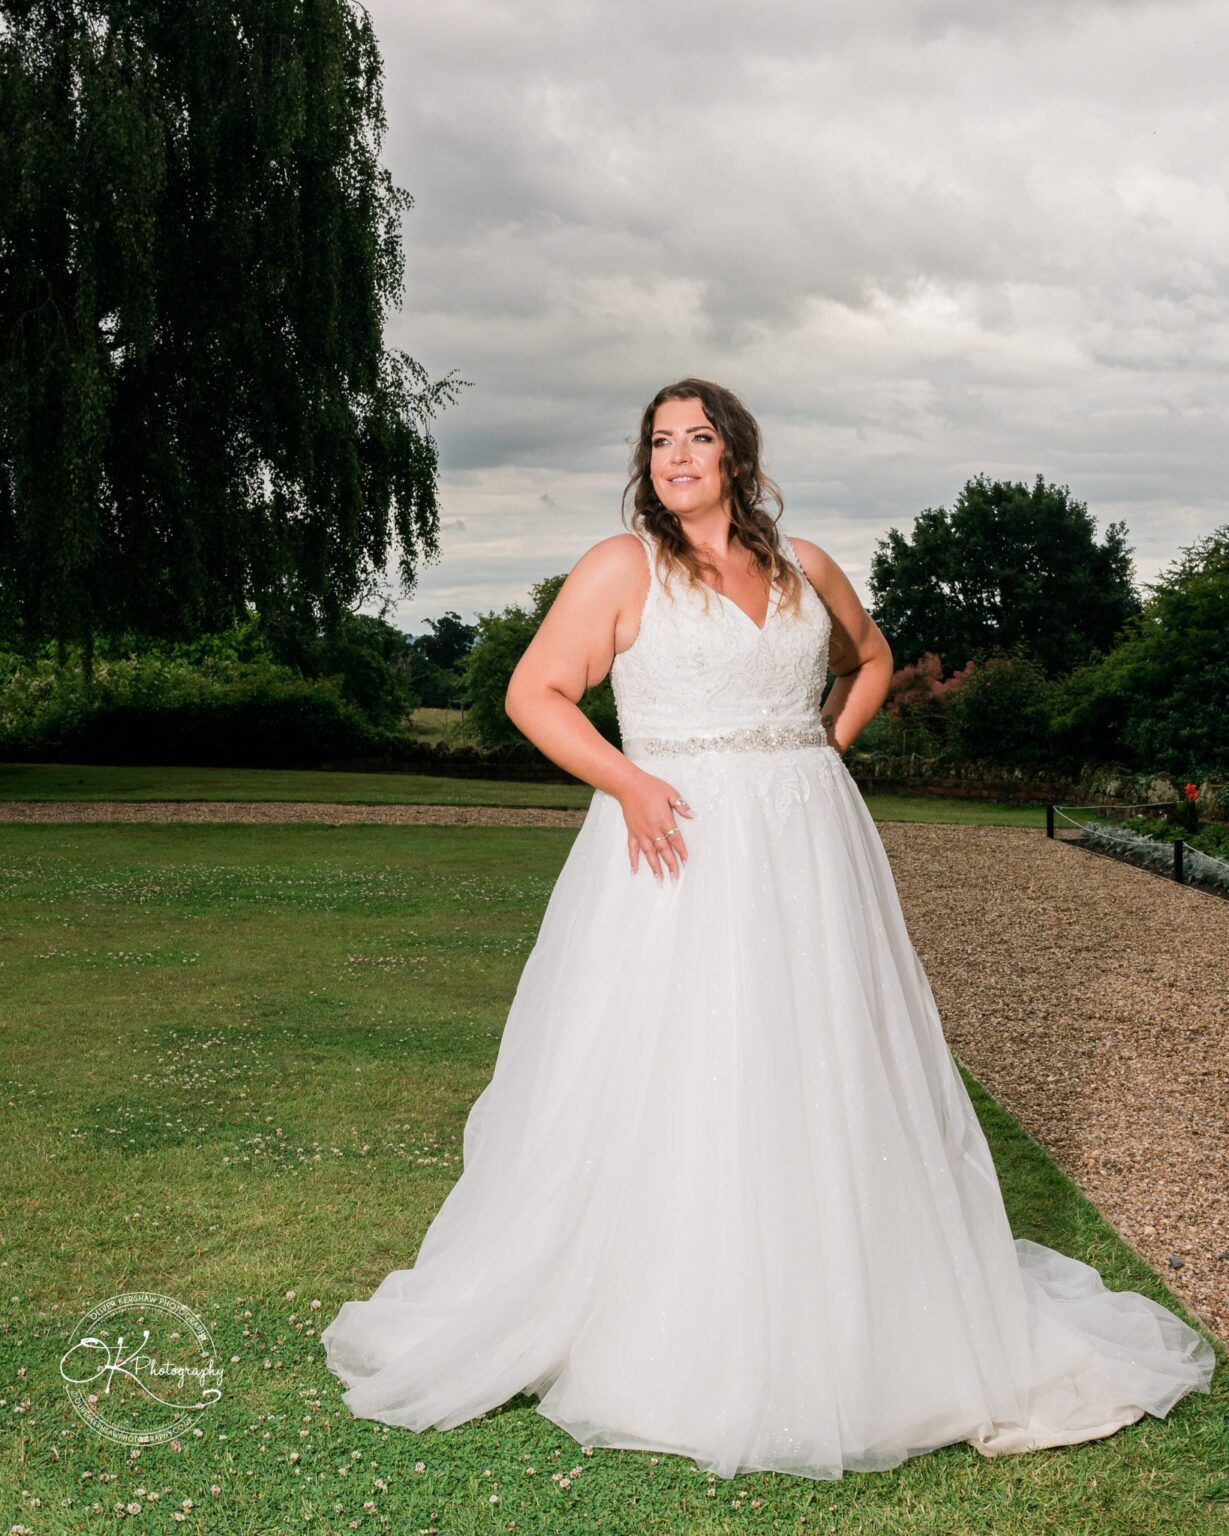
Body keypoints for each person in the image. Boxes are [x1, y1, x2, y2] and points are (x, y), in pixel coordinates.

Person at [320, 377, 1216, 1481]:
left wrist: (821, 746)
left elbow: (872, 657)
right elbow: (534, 694)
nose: (676, 457)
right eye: (659, 442)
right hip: (677, 844)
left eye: (697, 438)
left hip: (809, 848)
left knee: (823, 1053)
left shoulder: (805, 569)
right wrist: (630, 785)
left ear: (736, 457)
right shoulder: (619, 567)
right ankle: (676, 1306)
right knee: (685, 1054)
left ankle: (849, 1294)